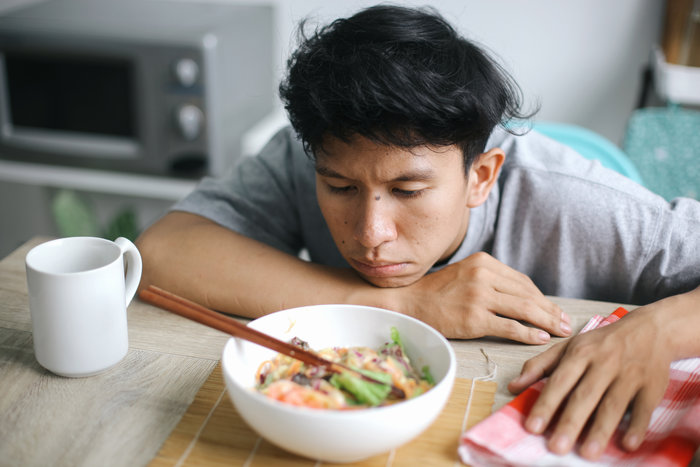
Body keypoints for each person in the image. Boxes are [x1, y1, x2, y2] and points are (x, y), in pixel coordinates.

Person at [136, 4, 700, 461]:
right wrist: (407, 302)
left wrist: (657, 329)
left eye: (407, 192)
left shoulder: (577, 201)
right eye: (339, 189)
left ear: (480, 177)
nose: (371, 233)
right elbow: (163, 251)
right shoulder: (303, 154)